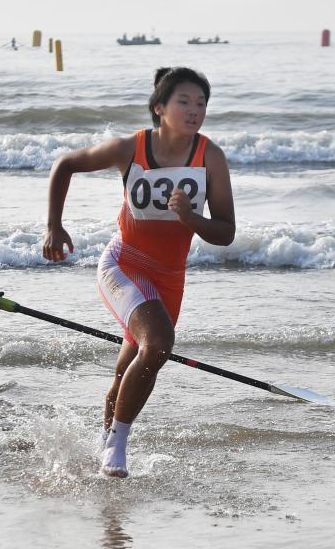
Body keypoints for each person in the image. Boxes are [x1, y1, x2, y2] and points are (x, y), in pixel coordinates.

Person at [42, 67, 235, 477]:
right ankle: (116, 448)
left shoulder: (210, 156)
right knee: (160, 342)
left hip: (170, 277)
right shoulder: (132, 148)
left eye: (201, 103)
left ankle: (102, 439)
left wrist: (191, 219)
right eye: (184, 101)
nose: (195, 110)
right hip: (123, 265)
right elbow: (65, 165)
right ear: (159, 107)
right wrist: (54, 226)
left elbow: (226, 232)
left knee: (132, 365)